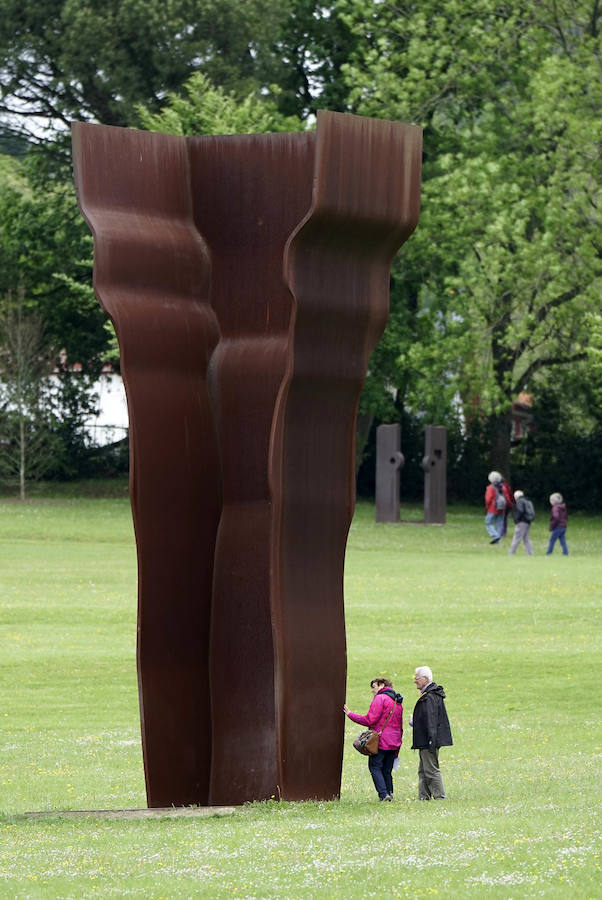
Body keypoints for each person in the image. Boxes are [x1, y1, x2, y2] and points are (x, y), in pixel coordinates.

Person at [344, 677, 403, 801]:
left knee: (375, 767)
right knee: (387, 770)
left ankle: (383, 795)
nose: (372, 691)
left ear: (381, 685)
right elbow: (400, 726)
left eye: (374, 687)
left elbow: (369, 720)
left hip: (381, 741)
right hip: (395, 742)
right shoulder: (397, 701)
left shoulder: (380, 698)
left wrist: (350, 714)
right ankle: (390, 793)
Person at [410, 666, 452, 800]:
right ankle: (424, 797)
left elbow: (431, 720)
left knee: (431, 770)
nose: (415, 681)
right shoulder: (429, 695)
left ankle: (440, 797)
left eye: (417, 678)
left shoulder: (430, 697)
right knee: (423, 771)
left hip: (428, 740)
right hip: (426, 739)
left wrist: (431, 740)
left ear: (425, 679)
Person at [484, 471, 514, 544]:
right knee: (499, 524)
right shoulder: (503, 487)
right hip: (502, 508)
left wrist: (487, 507)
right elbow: (507, 498)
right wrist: (511, 505)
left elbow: (488, 499)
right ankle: (497, 541)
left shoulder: (490, 488)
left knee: (488, 523)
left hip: (492, 508)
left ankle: (495, 535)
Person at [508, 489, 534, 555]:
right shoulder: (527, 501)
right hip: (528, 521)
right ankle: (530, 553)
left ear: (516, 496)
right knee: (526, 538)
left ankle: (511, 553)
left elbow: (520, 511)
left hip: (522, 521)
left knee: (516, 538)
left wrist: (516, 520)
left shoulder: (520, 501)